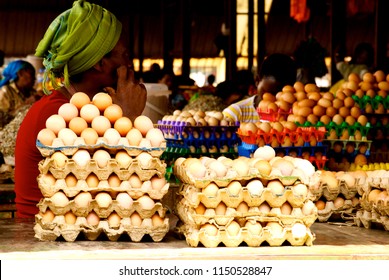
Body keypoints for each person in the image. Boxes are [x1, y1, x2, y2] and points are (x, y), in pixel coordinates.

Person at [14, 0, 147, 218]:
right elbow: (110, 187)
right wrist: (129, 118)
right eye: (124, 55)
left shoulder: (89, 110)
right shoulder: (56, 114)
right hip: (41, 238)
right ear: (100, 63)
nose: (130, 63)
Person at [222, 53, 297, 123]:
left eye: (282, 95)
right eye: (269, 93)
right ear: (257, 81)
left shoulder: (295, 115)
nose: (274, 99)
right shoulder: (236, 113)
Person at [0, 60, 37, 128]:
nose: (35, 78)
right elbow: (2, 120)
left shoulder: (32, 92)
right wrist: (27, 103)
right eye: (32, 74)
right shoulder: (5, 92)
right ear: (20, 73)